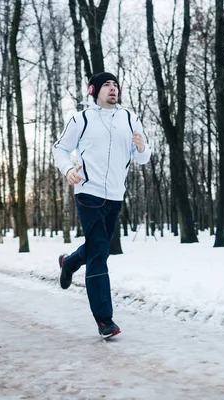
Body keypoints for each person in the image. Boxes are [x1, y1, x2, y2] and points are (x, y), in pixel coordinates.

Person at [52, 72, 151, 338]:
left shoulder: (130, 119)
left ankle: (70, 263)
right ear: (93, 91)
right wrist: (67, 169)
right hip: (88, 191)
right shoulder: (82, 119)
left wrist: (142, 148)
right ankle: (105, 320)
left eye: (116, 85)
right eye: (107, 85)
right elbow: (59, 148)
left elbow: (143, 158)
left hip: (115, 195)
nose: (113, 88)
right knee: (99, 253)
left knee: (99, 246)